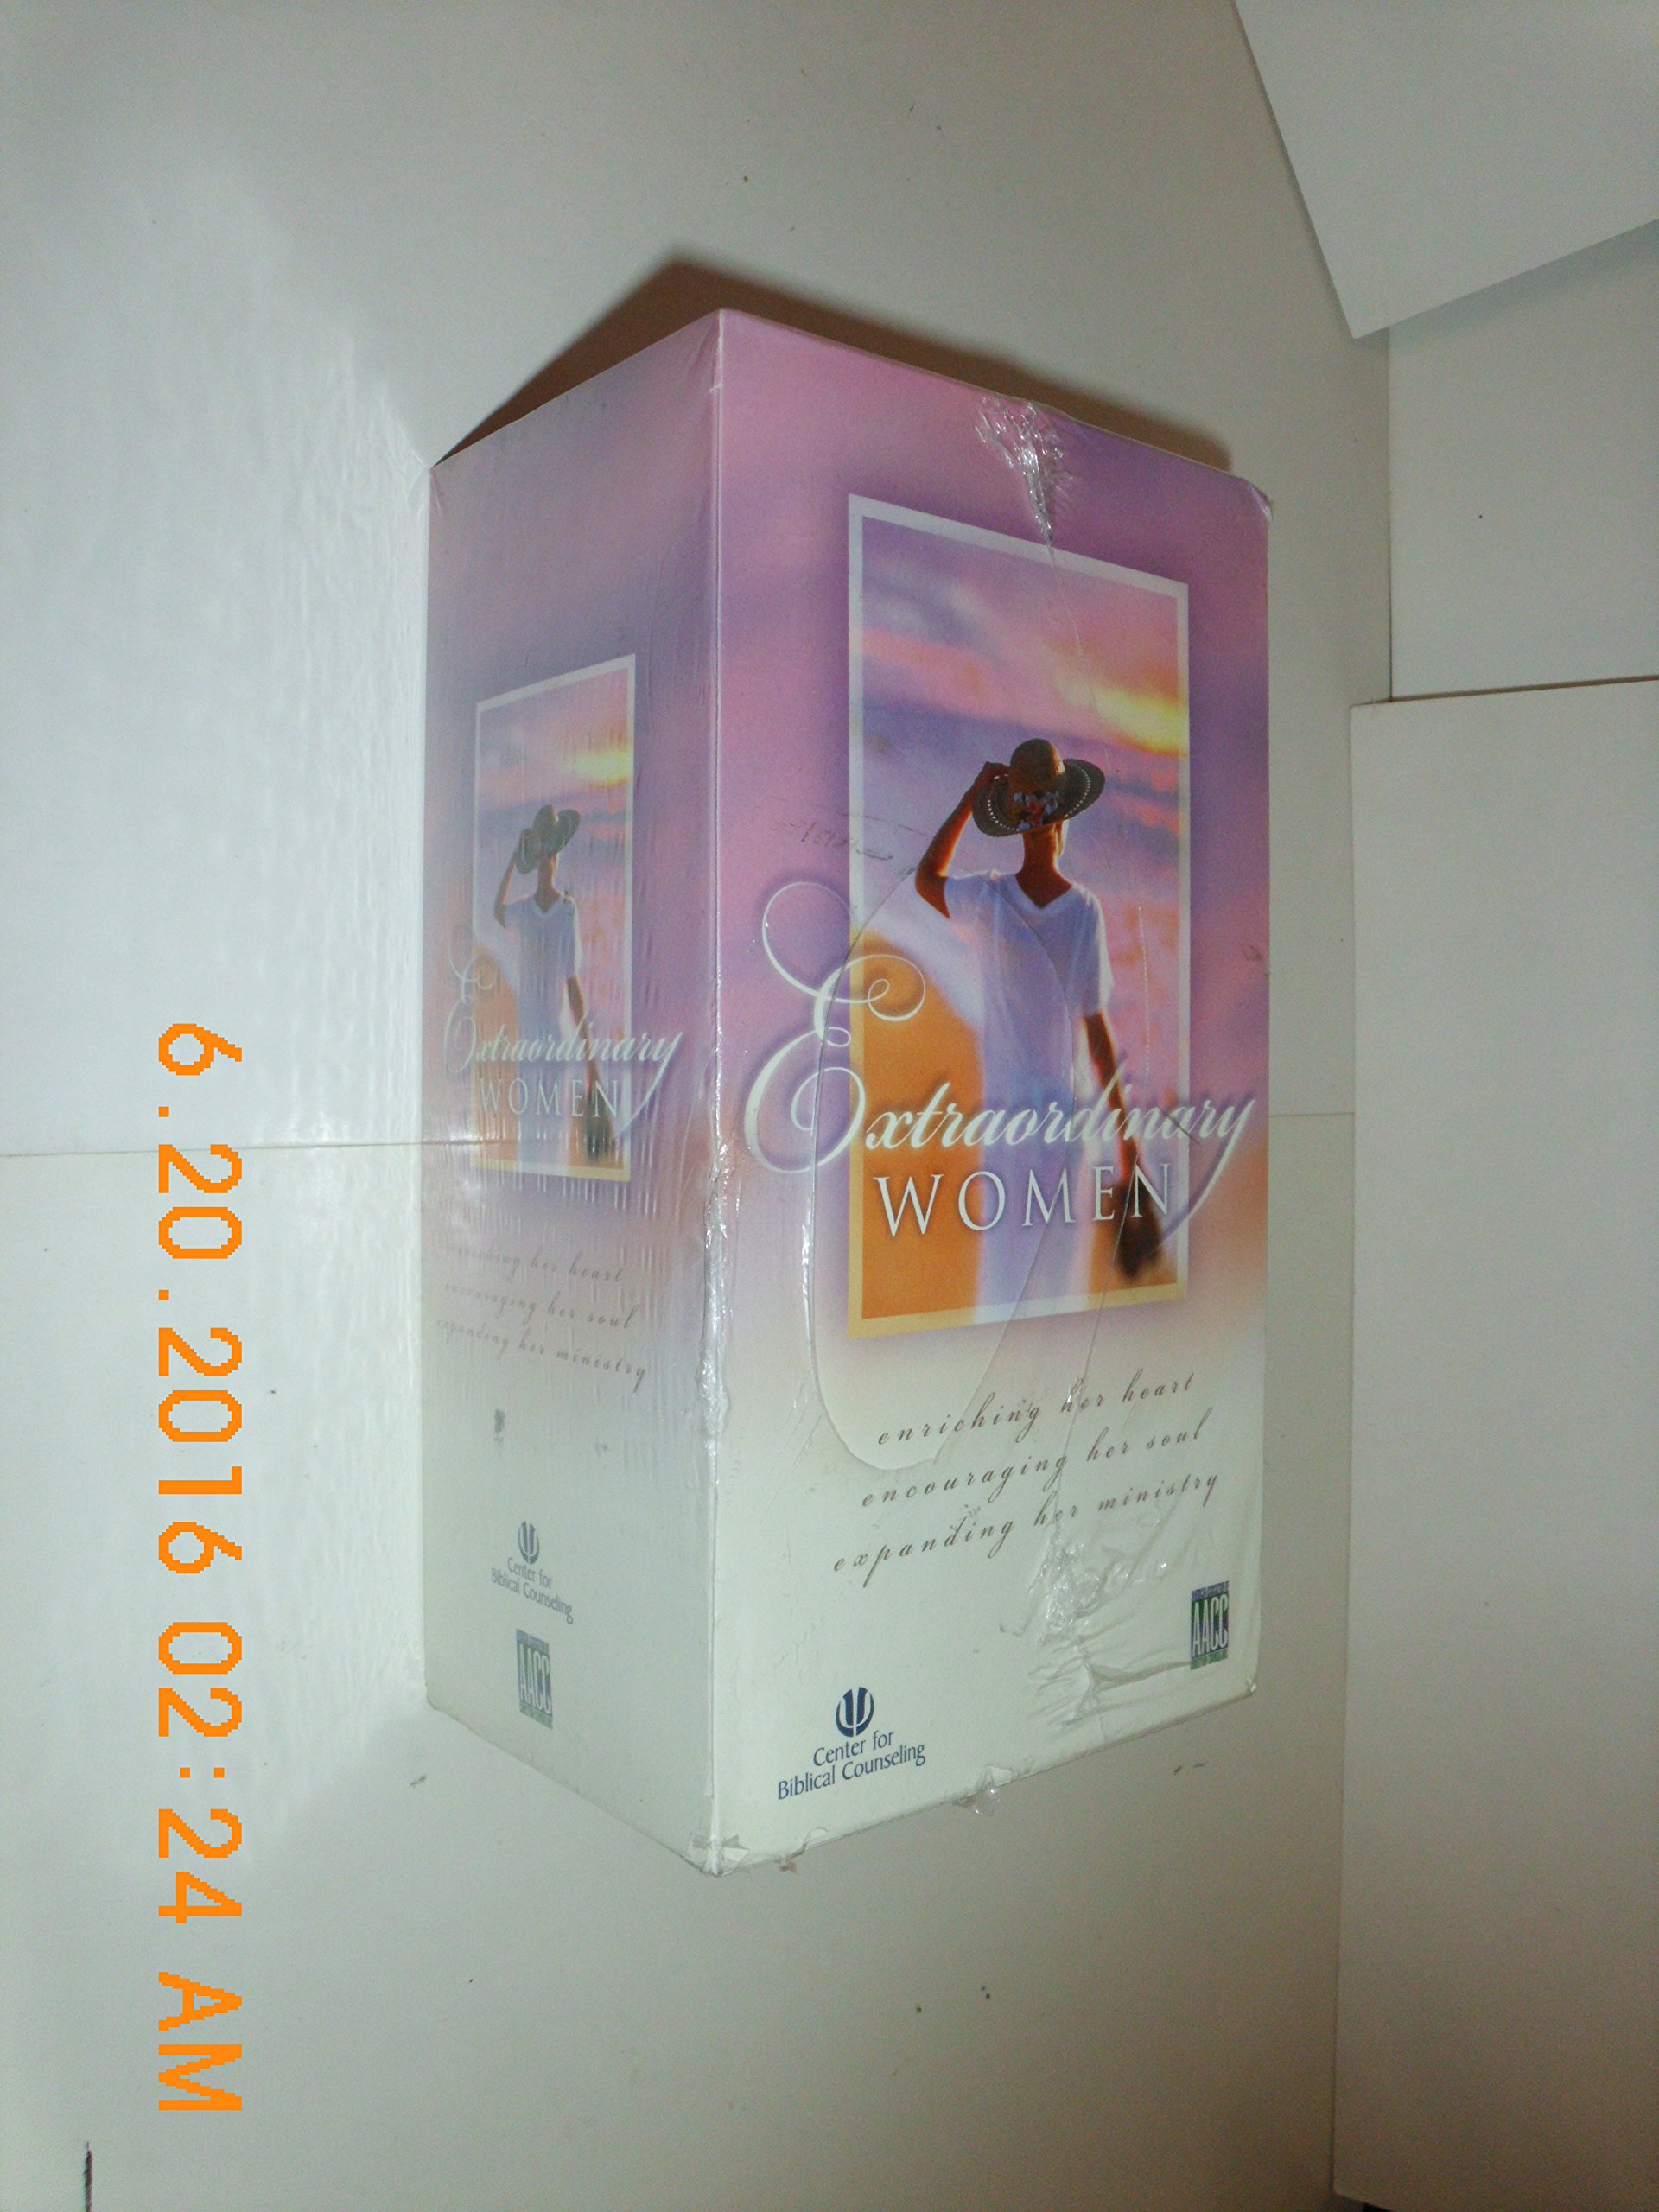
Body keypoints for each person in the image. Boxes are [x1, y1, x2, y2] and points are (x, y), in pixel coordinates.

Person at [912, 737, 1150, 1293]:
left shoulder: (988, 902)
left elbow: (926, 877)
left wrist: (970, 798)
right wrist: (1127, 1138)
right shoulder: (1083, 911)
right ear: (1064, 819)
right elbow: (1097, 1037)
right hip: (1067, 1123)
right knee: (1056, 1287)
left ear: (1016, 825)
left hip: (1010, 1127)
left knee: (1006, 1282)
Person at [492, 804, 613, 1166]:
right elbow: (498, 911)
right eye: (542, 852)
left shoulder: (566, 912)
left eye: (553, 853)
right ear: (535, 859)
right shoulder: (523, 911)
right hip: (528, 1038)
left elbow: (572, 984)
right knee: (529, 1128)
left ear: (557, 860)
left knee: (553, 1131)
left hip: (556, 1038)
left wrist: (591, 1062)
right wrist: (514, 860)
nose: (548, 860)